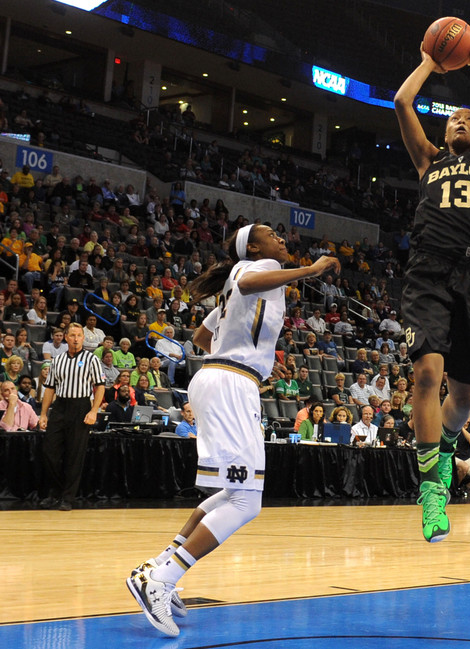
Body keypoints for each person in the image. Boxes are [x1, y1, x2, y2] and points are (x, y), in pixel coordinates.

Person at [126, 224, 339, 638]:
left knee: (233, 493)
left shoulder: (243, 286)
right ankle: (162, 578)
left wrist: (250, 358)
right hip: (228, 385)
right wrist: (310, 271)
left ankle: (157, 567)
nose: (280, 238)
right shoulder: (249, 269)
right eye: (270, 234)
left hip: (225, 378)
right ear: (253, 247)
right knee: (246, 503)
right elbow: (247, 281)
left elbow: (203, 336)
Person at [394, 8, 470, 543]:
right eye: (451, 120)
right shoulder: (428, 161)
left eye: (468, 120)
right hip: (428, 271)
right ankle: (431, 491)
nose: (460, 122)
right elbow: (401, 102)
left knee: (462, 397)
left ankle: (445, 459)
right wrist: (427, 60)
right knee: (426, 376)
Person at [38, 323, 105, 511]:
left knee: (75, 455)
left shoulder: (91, 359)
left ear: (83, 338)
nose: (76, 338)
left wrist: (93, 410)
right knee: (49, 451)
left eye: (79, 335)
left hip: (81, 406)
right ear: (66, 337)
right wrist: (44, 413)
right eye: (72, 335)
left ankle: (67, 497)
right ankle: (55, 492)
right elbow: (50, 388)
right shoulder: (57, 360)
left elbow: (99, 386)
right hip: (60, 407)